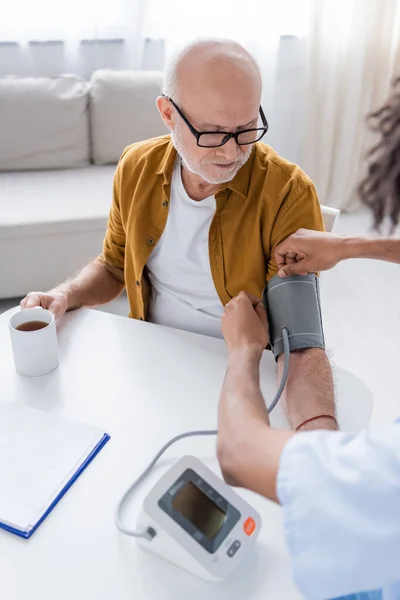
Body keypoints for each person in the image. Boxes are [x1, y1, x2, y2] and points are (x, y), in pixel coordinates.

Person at [20, 39, 336, 434]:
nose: (233, 152)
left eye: (246, 128)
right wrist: (66, 294)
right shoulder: (136, 166)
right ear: (168, 113)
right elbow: (114, 265)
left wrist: (320, 444)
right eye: (214, 133)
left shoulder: (289, 192)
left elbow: (300, 341)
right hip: (149, 356)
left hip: (239, 370)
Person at [217, 76, 400, 600]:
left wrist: (243, 350)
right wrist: (351, 245)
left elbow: (239, 452)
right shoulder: (140, 168)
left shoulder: (383, 478)